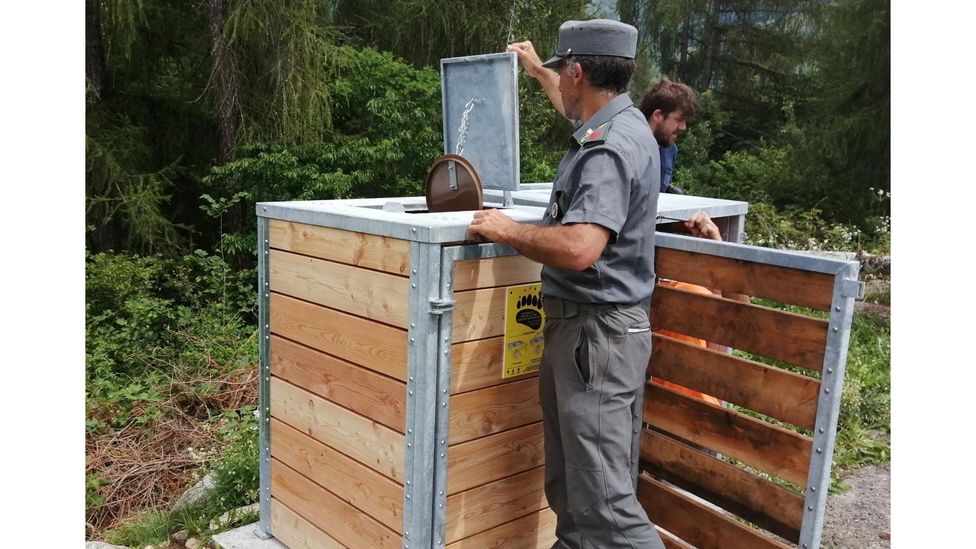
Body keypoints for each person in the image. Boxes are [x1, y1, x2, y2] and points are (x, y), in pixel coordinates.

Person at [470, 19, 666, 549]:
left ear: (578, 71)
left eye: (562, 71)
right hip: (589, 335)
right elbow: (573, 107)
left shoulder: (606, 148)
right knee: (572, 488)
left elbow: (581, 247)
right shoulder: (622, 124)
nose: (562, 83)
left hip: (595, 338)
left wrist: (507, 229)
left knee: (605, 503)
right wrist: (537, 70)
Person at [639, 78, 700, 194]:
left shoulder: (670, 150)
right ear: (657, 115)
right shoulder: (627, 147)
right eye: (679, 120)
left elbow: (661, 187)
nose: (683, 127)